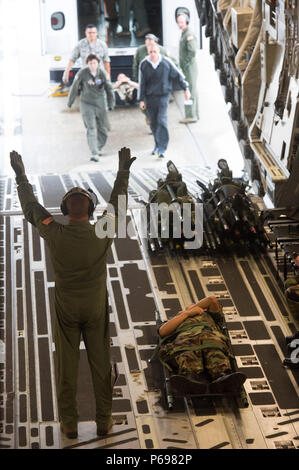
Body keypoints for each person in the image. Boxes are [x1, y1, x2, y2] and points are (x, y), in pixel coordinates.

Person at [10, 147, 136, 439]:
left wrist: (22, 177)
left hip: (66, 310)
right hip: (94, 308)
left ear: (65, 211)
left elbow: (31, 209)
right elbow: (118, 205)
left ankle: (69, 425)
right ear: (92, 211)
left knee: (66, 366)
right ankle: (104, 421)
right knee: (101, 363)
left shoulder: (54, 231)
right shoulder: (102, 230)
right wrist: (122, 173)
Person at [158, 296, 247, 395]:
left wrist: (194, 309)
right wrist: (186, 314)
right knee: (188, 355)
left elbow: (211, 299)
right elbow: (163, 331)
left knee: (216, 353)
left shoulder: (210, 316)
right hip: (187, 341)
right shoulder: (179, 319)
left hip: (211, 339)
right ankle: (191, 379)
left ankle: (221, 377)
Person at [138, 43, 191, 159]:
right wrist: (141, 100)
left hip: (163, 96)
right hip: (150, 97)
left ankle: (162, 148)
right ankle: (157, 144)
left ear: (159, 52)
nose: (152, 54)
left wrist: (186, 89)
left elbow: (178, 75)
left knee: (161, 120)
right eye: (150, 52)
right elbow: (141, 83)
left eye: (155, 52)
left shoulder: (166, 63)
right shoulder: (144, 64)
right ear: (148, 52)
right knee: (153, 123)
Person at [67, 53, 115, 162]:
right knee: (91, 128)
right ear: (87, 64)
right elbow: (74, 87)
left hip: (100, 103)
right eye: (90, 63)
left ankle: (98, 147)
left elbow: (109, 89)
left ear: (98, 63)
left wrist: (111, 103)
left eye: (94, 63)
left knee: (103, 128)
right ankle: (94, 152)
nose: (92, 65)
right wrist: (70, 101)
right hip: (86, 103)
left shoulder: (102, 73)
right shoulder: (82, 73)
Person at [176, 9, 199, 124]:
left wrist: (184, 63)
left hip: (189, 67)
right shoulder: (184, 33)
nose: (180, 24)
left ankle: (190, 115)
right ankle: (195, 113)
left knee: (189, 90)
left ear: (187, 21)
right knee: (192, 90)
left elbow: (192, 51)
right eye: (178, 22)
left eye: (182, 22)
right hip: (187, 66)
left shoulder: (188, 34)